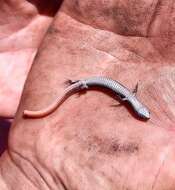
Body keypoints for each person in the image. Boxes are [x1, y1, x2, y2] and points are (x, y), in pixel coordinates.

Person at [0, 0, 175, 189]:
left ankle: (75, 85)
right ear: (138, 107)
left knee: (82, 85)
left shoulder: (130, 98)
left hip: (89, 82)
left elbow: (126, 96)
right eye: (143, 113)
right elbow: (123, 96)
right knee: (79, 86)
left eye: (141, 114)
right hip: (88, 82)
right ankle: (74, 85)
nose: (143, 115)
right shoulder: (127, 100)